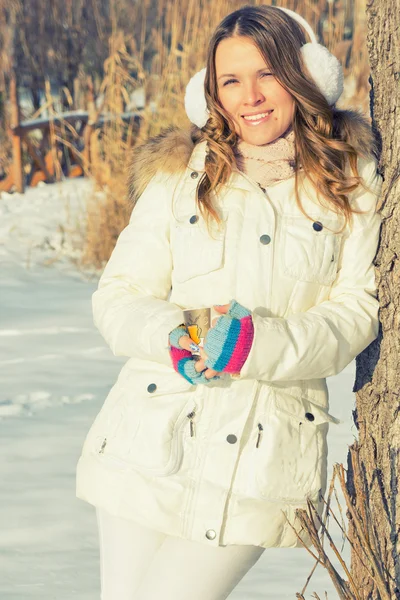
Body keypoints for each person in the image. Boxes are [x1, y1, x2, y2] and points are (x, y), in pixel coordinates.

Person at [76, 5, 383, 599]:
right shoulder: (181, 176)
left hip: (261, 463)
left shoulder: (352, 181)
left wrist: (260, 344)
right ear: (210, 94)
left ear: (306, 75)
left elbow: (357, 310)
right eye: (230, 81)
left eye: (268, 74)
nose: (251, 97)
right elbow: (119, 297)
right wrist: (177, 331)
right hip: (149, 442)